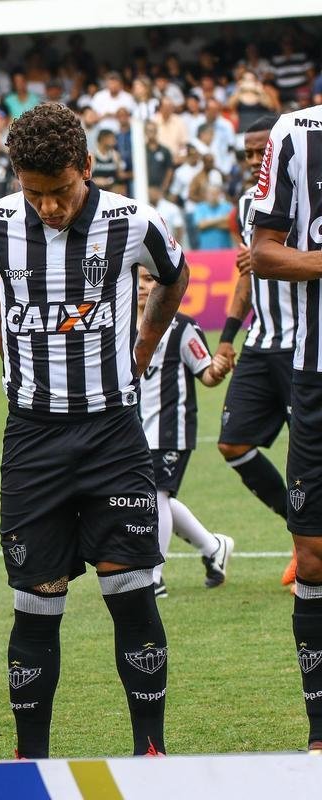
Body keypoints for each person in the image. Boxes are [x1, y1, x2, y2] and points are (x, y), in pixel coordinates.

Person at [0, 102, 188, 759]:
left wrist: (146, 341)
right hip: (32, 439)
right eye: (35, 194)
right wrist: (5, 344)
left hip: (113, 437)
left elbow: (174, 279)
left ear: (86, 169)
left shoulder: (133, 221)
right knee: (36, 604)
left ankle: (151, 754)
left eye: (59, 192)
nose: (48, 209)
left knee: (133, 594)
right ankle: (30, 761)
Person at [250, 102, 322, 753]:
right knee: (312, 555)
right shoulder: (297, 132)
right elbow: (263, 254)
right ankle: (321, 732)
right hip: (316, 374)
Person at [214, 116, 297, 586]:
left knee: (305, 453)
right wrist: (226, 336)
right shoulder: (248, 203)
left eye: (259, 151)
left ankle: (308, 545)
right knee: (233, 442)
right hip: (260, 343)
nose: (252, 162)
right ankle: (302, 529)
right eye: (246, 154)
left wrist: (267, 256)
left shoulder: (309, 196)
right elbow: (245, 276)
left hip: (302, 343)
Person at [135, 268, 234, 597]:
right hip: (132, 432)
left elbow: (205, 372)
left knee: (157, 495)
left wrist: (217, 370)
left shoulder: (181, 327)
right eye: (138, 279)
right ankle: (213, 546)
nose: (142, 286)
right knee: (155, 498)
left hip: (170, 430)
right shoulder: (120, 327)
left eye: (150, 279)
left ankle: (153, 577)